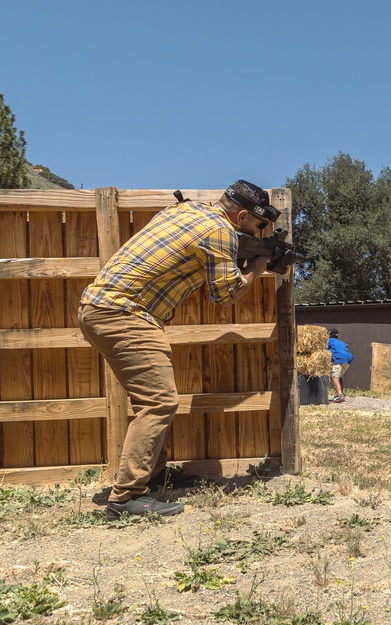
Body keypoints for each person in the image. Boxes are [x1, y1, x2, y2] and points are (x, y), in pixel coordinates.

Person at [78, 180, 276, 520]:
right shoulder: (221, 233)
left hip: (101, 307)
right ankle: (126, 497)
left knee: (149, 400)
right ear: (242, 216)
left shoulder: (184, 209)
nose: (259, 235)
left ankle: (153, 476)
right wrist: (257, 268)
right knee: (160, 401)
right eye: (258, 227)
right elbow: (225, 296)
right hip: (126, 313)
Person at [326, 328, 353, 403]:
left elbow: (324, 348)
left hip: (339, 358)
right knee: (339, 376)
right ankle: (340, 393)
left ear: (329, 335)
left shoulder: (329, 341)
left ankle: (340, 395)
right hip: (348, 359)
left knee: (335, 377)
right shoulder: (341, 342)